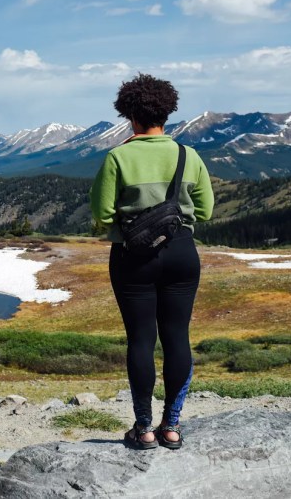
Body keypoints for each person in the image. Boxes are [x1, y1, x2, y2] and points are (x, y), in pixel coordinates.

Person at [89, 73, 213, 450]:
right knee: (178, 337)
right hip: (181, 254)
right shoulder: (187, 155)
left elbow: (101, 213)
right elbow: (205, 210)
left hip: (133, 257)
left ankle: (143, 429)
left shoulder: (118, 156)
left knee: (141, 340)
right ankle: (171, 427)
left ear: (129, 114)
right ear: (168, 112)